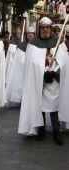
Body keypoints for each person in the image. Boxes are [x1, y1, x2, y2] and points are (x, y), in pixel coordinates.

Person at [18, 17, 69, 145]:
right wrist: (42, 73)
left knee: (55, 106)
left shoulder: (59, 42)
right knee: (39, 106)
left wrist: (54, 72)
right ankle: (41, 130)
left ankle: (57, 131)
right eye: (43, 27)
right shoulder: (33, 43)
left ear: (50, 29)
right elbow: (30, 64)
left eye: (47, 27)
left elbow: (64, 63)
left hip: (54, 81)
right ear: (39, 28)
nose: (45, 29)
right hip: (38, 82)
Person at [6, 26, 35, 105]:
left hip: (32, 69)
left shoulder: (37, 45)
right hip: (22, 69)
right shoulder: (22, 45)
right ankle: (21, 99)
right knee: (21, 84)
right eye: (28, 33)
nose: (30, 35)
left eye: (32, 33)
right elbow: (18, 58)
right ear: (26, 35)